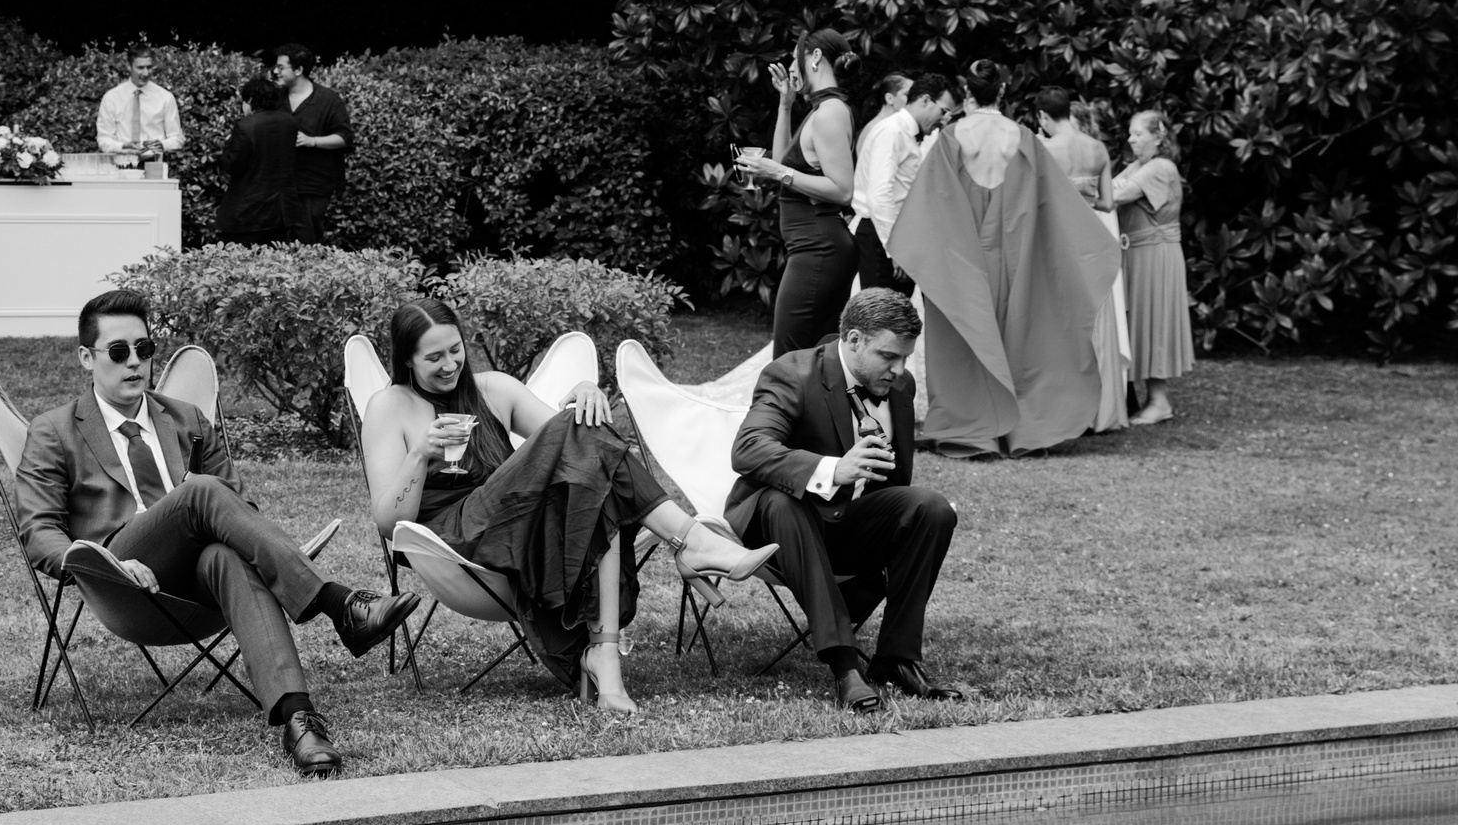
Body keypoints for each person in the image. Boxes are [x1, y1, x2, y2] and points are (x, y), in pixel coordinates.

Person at [17, 290, 421, 775]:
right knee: (201, 491)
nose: (135, 364)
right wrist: (101, 562)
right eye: (118, 352)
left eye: (144, 350)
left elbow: (239, 509)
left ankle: (300, 721)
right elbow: (38, 531)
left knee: (226, 555)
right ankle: (339, 605)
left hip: (201, 587)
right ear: (87, 357)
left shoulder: (185, 419)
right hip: (122, 580)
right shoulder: (54, 430)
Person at [362, 298, 778, 713]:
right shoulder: (389, 407)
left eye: (455, 350)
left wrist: (583, 393)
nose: (450, 365)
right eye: (434, 357)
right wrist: (419, 455)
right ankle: (692, 542)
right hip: (458, 538)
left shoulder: (494, 389)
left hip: (517, 529)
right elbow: (388, 522)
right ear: (408, 361)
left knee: (587, 454)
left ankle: (605, 662)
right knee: (579, 441)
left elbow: (580, 445)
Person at [724, 289, 963, 712]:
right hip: (779, 529)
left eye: (906, 358)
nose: (900, 369)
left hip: (846, 525)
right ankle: (844, 663)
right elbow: (748, 449)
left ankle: (896, 659)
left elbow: (894, 485)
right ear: (854, 340)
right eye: (889, 356)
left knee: (931, 508)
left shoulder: (898, 387)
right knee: (784, 503)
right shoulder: (793, 374)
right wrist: (833, 469)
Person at [889, 60, 1119, 458]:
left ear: (966, 96)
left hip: (964, 255)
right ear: (1001, 94)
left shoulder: (950, 137)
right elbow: (1056, 205)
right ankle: (1021, 423)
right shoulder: (1025, 137)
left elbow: (930, 205)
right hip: (1018, 254)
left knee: (963, 335)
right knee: (1020, 335)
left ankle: (971, 421)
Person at [731, 30, 859, 352]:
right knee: (813, 361)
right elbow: (783, 161)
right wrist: (785, 105)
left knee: (788, 359)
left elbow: (843, 190)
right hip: (814, 247)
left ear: (815, 58)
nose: (790, 65)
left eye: (795, 56)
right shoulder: (821, 110)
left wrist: (778, 171)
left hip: (819, 249)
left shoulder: (829, 112)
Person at [1036, 87, 1128, 435]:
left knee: (1060, 327)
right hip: (1093, 241)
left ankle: (1066, 412)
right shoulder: (1098, 148)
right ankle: (1102, 412)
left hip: (1059, 241)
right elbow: (1107, 203)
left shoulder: (1044, 149)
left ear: (1044, 117)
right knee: (1097, 326)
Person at [1117, 110, 1196, 425]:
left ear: (1159, 136)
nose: (1131, 139)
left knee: (1155, 321)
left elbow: (1115, 195)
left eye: (1138, 133)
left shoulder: (1160, 167)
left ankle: (1160, 401)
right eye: (1130, 133)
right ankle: (1151, 398)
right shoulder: (1139, 166)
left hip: (1155, 254)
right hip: (1139, 253)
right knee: (1142, 322)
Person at [849, 71, 952, 296]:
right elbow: (880, 195)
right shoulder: (892, 131)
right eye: (943, 111)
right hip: (881, 236)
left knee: (899, 319)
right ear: (925, 100)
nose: (944, 118)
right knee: (881, 321)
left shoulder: (910, 133)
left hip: (896, 236)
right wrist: (895, 249)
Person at [270, 45, 353, 241]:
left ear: (298, 70)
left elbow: (344, 137)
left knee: (308, 242)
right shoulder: (275, 98)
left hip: (313, 186)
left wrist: (312, 141)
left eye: (281, 68)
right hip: (277, 186)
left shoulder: (327, 99)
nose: (275, 72)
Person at [216, 77, 300, 244]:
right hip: (280, 211)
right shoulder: (290, 122)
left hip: (248, 211)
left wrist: (228, 144)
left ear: (251, 100)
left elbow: (233, 164)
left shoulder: (245, 126)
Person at [97, 47, 185, 157]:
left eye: (149, 67)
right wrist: (122, 146)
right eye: (140, 68)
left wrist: (162, 145)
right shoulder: (111, 98)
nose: (145, 73)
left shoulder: (165, 97)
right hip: (121, 164)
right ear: (129, 67)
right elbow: (103, 139)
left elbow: (177, 138)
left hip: (155, 165)